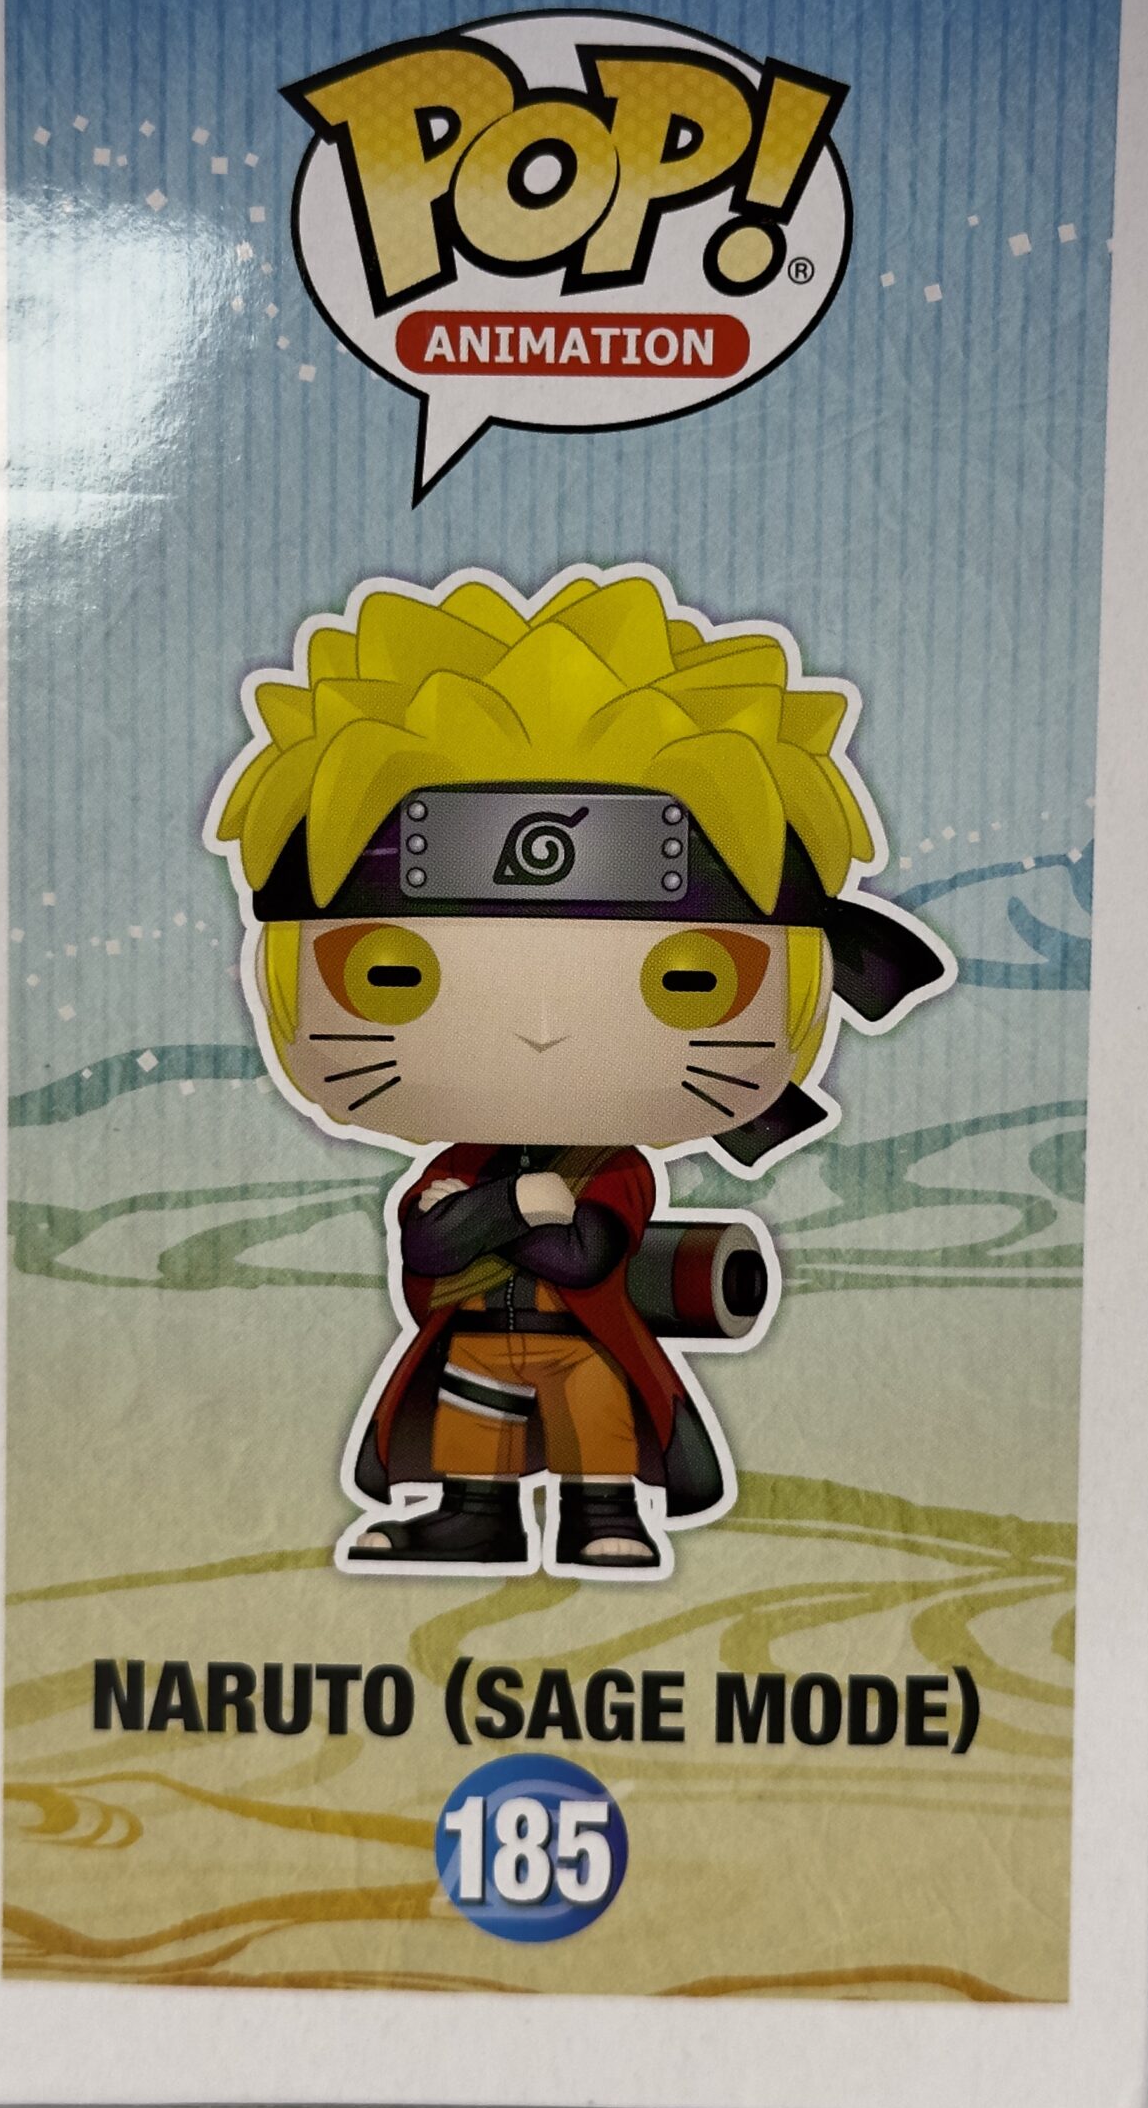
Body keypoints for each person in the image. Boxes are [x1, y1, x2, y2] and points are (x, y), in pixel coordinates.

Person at [205, 566, 953, 1578]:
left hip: (583, 1342)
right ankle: (474, 1518)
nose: (542, 1033)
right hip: (476, 1342)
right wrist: (519, 1203)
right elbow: (426, 1243)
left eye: (690, 981)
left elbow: (585, 1254)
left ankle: (606, 1516)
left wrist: (494, 1215)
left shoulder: (614, 1168)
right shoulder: (466, 1163)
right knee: (473, 1437)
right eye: (392, 975)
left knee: (598, 1430)